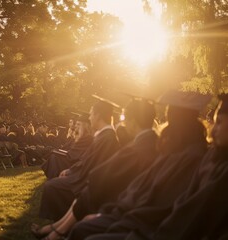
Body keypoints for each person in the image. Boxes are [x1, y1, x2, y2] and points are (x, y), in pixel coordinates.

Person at [68, 90, 211, 240]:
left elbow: (161, 202)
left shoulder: (191, 157)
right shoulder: (173, 150)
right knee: (83, 226)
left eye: (170, 115)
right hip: (133, 213)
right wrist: (111, 211)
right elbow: (142, 186)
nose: (167, 119)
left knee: (85, 232)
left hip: (148, 225)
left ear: (178, 121)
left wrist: (122, 215)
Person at [32, 98, 159, 240]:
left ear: (133, 121)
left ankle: (57, 231)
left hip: (117, 194)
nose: (124, 124)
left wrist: (86, 178)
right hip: (113, 188)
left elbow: (105, 168)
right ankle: (56, 230)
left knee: (75, 191)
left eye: (126, 119)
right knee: (84, 192)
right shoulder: (149, 143)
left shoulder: (135, 145)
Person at [127, 93, 228, 240]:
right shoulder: (210, 159)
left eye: (219, 122)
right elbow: (183, 204)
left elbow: (190, 215)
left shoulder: (197, 158)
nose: (212, 131)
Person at [39, 97, 120, 221]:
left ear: (98, 116)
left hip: (90, 181)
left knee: (52, 186)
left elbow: (93, 164)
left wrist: (71, 172)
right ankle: (60, 225)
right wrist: (71, 171)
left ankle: (60, 223)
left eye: (91, 114)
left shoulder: (107, 137)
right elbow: (88, 160)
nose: (89, 117)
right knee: (53, 181)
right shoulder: (104, 135)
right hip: (84, 175)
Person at [41, 113, 93, 179]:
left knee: (54, 157)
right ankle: (54, 178)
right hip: (73, 159)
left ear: (85, 126)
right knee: (54, 156)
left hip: (75, 163)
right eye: (76, 124)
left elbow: (74, 155)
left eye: (78, 124)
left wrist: (65, 153)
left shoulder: (87, 138)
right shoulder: (81, 136)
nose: (76, 126)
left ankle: (54, 178)